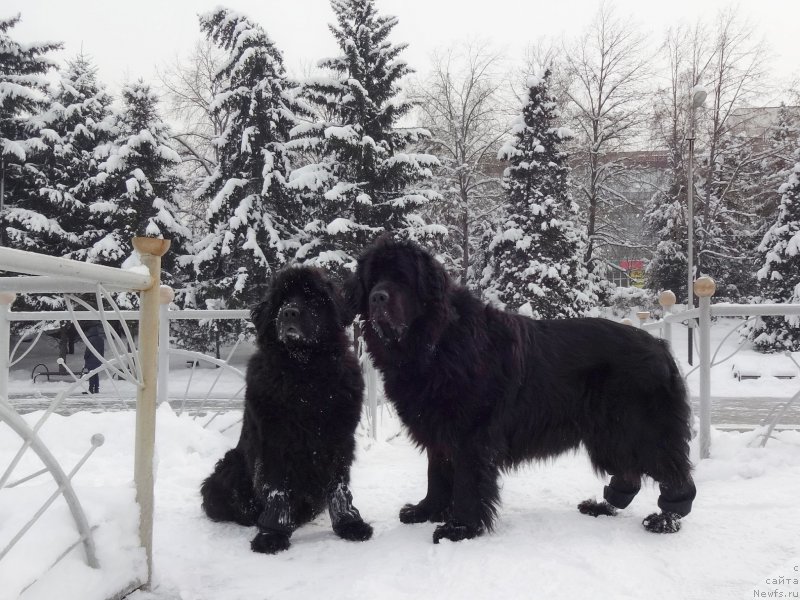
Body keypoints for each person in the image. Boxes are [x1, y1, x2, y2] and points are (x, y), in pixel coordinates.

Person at [83, 323, 105, 394]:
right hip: (98, 359)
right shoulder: (101, 339)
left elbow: (88, 350)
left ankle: (91, 389)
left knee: (91, 374)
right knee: (96, 374)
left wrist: (85, 357)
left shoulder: (90, 339)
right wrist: (101, 358)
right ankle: (96, 389)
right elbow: (102, 350)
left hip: (91, 359)